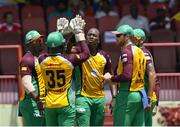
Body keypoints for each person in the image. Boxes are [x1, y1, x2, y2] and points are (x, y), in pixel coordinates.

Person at [38, 15, 90, 126]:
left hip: (49, 104)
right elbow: (86, 54)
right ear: (62, 46)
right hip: (66, 104)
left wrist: (59, 32)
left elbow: (51, 49)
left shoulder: (42, 59)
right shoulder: (68, 60)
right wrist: (78, 33)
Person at [103, 24, 154, 126]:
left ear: (126, 37)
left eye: (118, 36)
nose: (116, 38)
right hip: (139, 94)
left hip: (127, 94)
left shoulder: (126, 52)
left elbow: (127, 75)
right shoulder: (140, 51)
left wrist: (111, 78)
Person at [72, 27, 117, 126]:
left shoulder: (104, 56)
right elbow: (66, 50)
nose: (91, 37)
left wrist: (114, 97)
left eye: (94, 35)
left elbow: (111, 78)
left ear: (99, 40)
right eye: (89, 35)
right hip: (83, 97)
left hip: (99, 99)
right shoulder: (79, 52)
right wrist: (76, 33)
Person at [133, 28, 160, 126]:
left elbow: (154, 78)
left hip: (145, 99)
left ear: (141, 40)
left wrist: (152, 101)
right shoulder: (136, 52)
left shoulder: (144, 54)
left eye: (134, 38)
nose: (132, 40)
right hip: (144, 98)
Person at [18, 30, 46, 126]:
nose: (41, 42)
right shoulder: (27, 59)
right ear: (29, 44)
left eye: (41, 40)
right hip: (32, 104)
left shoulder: (38, 57)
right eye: (37, 41)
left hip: (38, 103)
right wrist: (38, 100)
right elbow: (26, 83)